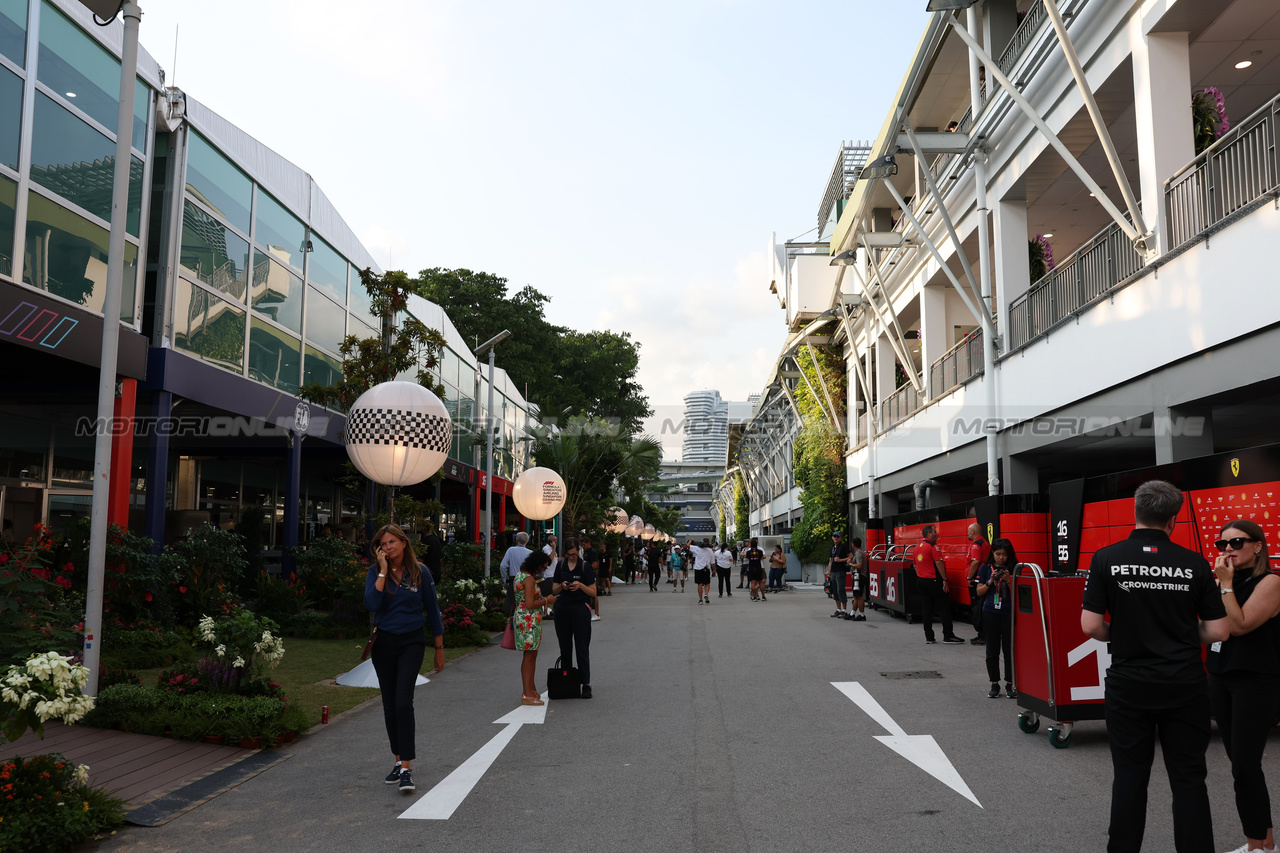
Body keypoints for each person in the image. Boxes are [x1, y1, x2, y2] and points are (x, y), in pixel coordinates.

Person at [1081, 479, 1228, 853]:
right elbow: (1218, 630)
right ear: (1173, 520)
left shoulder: (1106, 558)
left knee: (1130, 776)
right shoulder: (1194, 563)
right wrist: (1177, 635)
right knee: (1189, 778)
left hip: (1129, 683)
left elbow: (1091, 626)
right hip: (1185, 684)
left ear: (1135, 511)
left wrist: (1128, 631)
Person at [1206, 519, 1280, 853]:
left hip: (1254, 680)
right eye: (1223, 545)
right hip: (1222, 676)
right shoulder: (1229, 581)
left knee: (1244, 766)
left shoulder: (1271, 581)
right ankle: (1263, 843)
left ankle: (1256, 846)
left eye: (1236, 542)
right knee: (1241, 763)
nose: (1228, 550)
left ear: (1258, 545)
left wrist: (1224, 585)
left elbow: (1239, 626)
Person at [363, 523, 446, 794]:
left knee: (402, 703)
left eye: (391, 543)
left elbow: (432, 610)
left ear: (404, 543)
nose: (387, 548)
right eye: (382, 544)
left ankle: (407, 768)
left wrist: (439, 647)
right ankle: (398, 760)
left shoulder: (421, 573)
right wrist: (384, 571)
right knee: (389, 705)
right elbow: (372, 605)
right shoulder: (375, 572)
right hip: (384, 643)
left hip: (411, 642)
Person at [552, 537, 597, 699]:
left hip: (580, 609)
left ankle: (586, 683)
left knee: (582, 647)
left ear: (578, 550)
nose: (572, 557)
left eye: (574, 554)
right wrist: (562, 586)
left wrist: (580, 586)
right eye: (569, 554)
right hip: (562, 608)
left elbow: (593, 592)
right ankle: (567, 680)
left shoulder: (584, 566)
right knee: (565, 648)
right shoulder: (561, 565)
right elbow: (554, 590)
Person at [513, 550, 556, 706]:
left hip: (524, 619)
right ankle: (527, 693)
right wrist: (546, 600)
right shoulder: (529, 580)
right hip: (528, 621)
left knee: (531, 655)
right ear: (536, 565)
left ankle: (530, 689)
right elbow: (530, 604)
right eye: (543, 567)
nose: (543, 570)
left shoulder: (520, 576)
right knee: (529, 657)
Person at [975, 538, 1017, 698]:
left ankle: (1010, 683)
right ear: (992, 553)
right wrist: (990, 581)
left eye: (1004, 555)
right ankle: (994, 683)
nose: (1001, 558)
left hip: (1008, 613)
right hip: (990, 613)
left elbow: (1021, 592)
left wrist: (1008, 579)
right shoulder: (986, 568)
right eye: (998, 554)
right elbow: (979, 592)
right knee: (992, 650)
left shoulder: (1014, 568)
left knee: (1009, 650)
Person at [914, 524, 963, 644]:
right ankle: (948, 635)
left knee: (926, 609)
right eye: (935, 531)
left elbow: (915, 565)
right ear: (929, 534)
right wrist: (945, 579)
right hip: (935, 581)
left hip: (921, 581)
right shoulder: (933, 546)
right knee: (944, 607)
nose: (937, 533)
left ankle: (929, 637)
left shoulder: (917, 547)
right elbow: (939, 563)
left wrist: (921, 575)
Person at [966, 523, 990, 645]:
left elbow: (975, 562)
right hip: (983, 579)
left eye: (968, 531)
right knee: (982, 607)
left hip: (977, 580)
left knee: (977, 608)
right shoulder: (985, 543)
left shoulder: (976, 545)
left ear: (973, 531)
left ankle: (982, 635)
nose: (967, 533)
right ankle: (984, 634)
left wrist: (970, 577)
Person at [827, 531, 851, 619]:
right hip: (833, 571)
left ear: (840, 538)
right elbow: (830, 560)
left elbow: (851, 556)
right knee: (835, 590)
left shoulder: (843, 546)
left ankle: (844, 610)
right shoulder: (832, 547)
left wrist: (841, 560)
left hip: (841, 570)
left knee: (841, 589)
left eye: (837, 536)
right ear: (832, 538)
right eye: (834, 536)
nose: (836, 538)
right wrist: (829, 572)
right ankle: (838, 609)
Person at [690, 538, 714, 604]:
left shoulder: (697, 548)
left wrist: (691, 540)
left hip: (698, 569)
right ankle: (706, 593)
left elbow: (688, 546)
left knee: (700, 584)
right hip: (706, 569)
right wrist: (714, 571)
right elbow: (713, 563)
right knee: (707, 583)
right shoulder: (710, 551)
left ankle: (700, 600)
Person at [849, 537, 868, 620]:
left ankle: (862, 614)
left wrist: (850, 564)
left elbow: (859, 565)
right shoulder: (860, 553)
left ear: (853, 544)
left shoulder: (859, 553)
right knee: (856, 596)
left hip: (859, 576)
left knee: (859, 596)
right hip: (858, 576)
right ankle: (852, 613)